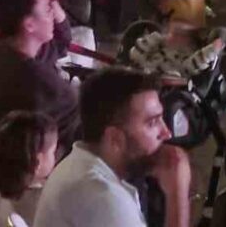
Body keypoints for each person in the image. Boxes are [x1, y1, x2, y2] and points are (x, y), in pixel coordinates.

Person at [34, 68, 191, 227]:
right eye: (152, 123)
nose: (166, 133)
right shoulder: (102, 196)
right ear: (115, 139)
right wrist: (177, 193)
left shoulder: (79, 164)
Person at [0, 0, 79, 154]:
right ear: (29, 24)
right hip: (17, 167)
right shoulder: (35, 76)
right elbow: (76, 112)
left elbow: (60, 43)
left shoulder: (0, 52)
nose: (53, 15)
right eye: (48, 10)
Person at [0, 111, 59, 222]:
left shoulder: (1, 185)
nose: (56, 156)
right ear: (37, 163)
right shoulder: (44, 203)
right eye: (53, 152)